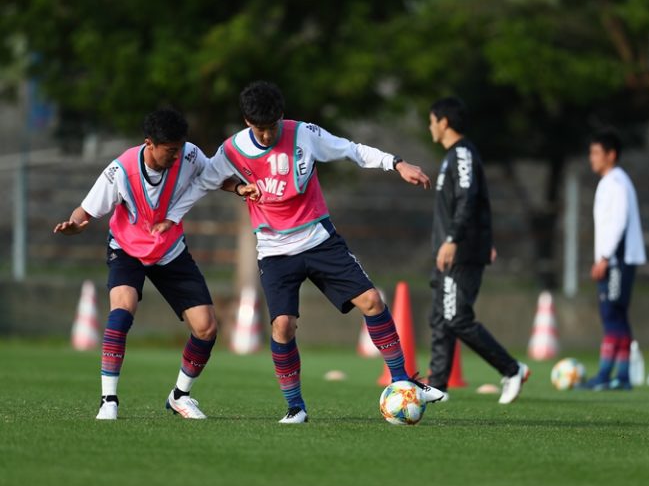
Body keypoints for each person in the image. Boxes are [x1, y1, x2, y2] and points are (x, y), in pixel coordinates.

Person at [169, 81, 444, 423]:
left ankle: (402, 381)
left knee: (372, 301)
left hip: (319, 240)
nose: (266, 135)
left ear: (281, 117)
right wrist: (177, 214)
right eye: (259, 128)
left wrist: (397, 163)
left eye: (272, 127)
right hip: (274, 251)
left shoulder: (304, 134)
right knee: (283, 326)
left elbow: (351, 150)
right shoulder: (232, 150)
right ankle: (296, 407)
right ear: (247, 121)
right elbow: (206, 181)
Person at [53, 109, 218, 420]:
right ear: (149, 144)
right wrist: (74, 225)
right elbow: (84, 210)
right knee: (122, 311)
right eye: (170, 150)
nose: (177, 156)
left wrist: (240, 187)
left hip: (169, 249)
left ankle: (180, 396)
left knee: (206, 328)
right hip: (127, 249)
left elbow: (214, 175)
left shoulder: (189, 155)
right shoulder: (120, 171)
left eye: (180, 148)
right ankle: (108, 400)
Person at [425, 96, 529, 404]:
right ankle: (437, 387)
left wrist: (453, 239)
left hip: (460, 252)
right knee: (440, 318)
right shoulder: (452, 157)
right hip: (450, 251)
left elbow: (468, 198)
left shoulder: (462, 154)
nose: (430, 127)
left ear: (444, 122)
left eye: (432, 121)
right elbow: (476, 202)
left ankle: (512, 369)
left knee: (456, 317)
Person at [584, 129, 646, 390]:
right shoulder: (609, 182)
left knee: (612, 313)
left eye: (597, 152)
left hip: (618, 259)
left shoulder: (617, 183)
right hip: (614, 258)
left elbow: (619, 222)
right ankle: (621, 376)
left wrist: (605, 257)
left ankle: (607, 373)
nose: (592, 158)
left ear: (611, 155)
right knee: (616, 314)